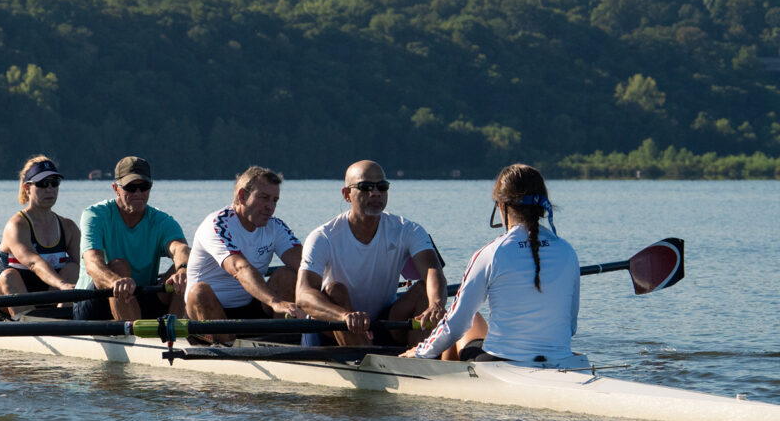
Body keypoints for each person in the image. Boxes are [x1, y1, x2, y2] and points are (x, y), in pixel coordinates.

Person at [404, 164, 579, 362]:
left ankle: (440, 381)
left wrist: (419, 352)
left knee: (466, 319)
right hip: (563, 360)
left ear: (501, 206)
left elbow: (455, 325)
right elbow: (571, 326)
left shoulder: (492, 253)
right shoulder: (567, 251)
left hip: (502, 363)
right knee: (475, 319)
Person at [295, 160, 447, 347]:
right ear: (347, 194)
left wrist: (437, 304)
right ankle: (365, 358)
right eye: (365, 186)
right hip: (332, 329)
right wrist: (345, 316)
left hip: (382, 322)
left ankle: (420, 359)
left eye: (382, 187)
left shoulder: (408, 230)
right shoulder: (323, 237)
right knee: (336, 290)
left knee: (426, 290)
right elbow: (303, 295)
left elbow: (432, 270)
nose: (375, 193)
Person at [185, 166, 302, 344]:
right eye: (263, 198)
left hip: (250, 306)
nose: (270, 207)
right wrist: (275, 301)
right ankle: (229, 347)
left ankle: (283, 344)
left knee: (286, 276)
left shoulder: (275, 227)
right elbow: (239, 268)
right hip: (208, 311)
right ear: (242, 196)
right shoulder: (217, 225)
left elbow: (305, 264)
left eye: (275, 200)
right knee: (199, 292)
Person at [73, 156, 190, 321]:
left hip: (139, 298)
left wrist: (183, 270)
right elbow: (92, 264)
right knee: (119, 266)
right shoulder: (95, 215)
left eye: (144, 187)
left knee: (188, 267)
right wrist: (116, 282)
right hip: (95, 301)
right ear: (116, 188)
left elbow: (181, 249)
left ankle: (175, 332)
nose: (138, 193)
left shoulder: (162, 221)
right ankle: (136, 335)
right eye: (130, 188)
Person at [0, 156, 81, 316]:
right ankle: (29, 324)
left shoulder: (68, 227)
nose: (50, 189)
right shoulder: (17, 225)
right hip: (8, 299)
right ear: (27, 187)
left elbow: (86, 265)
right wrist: (61, 284)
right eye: (43, 184)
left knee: (74, 268)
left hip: (48, 296)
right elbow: (33, 262)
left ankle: (62, 321)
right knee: (9, 276)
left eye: (55, 183)